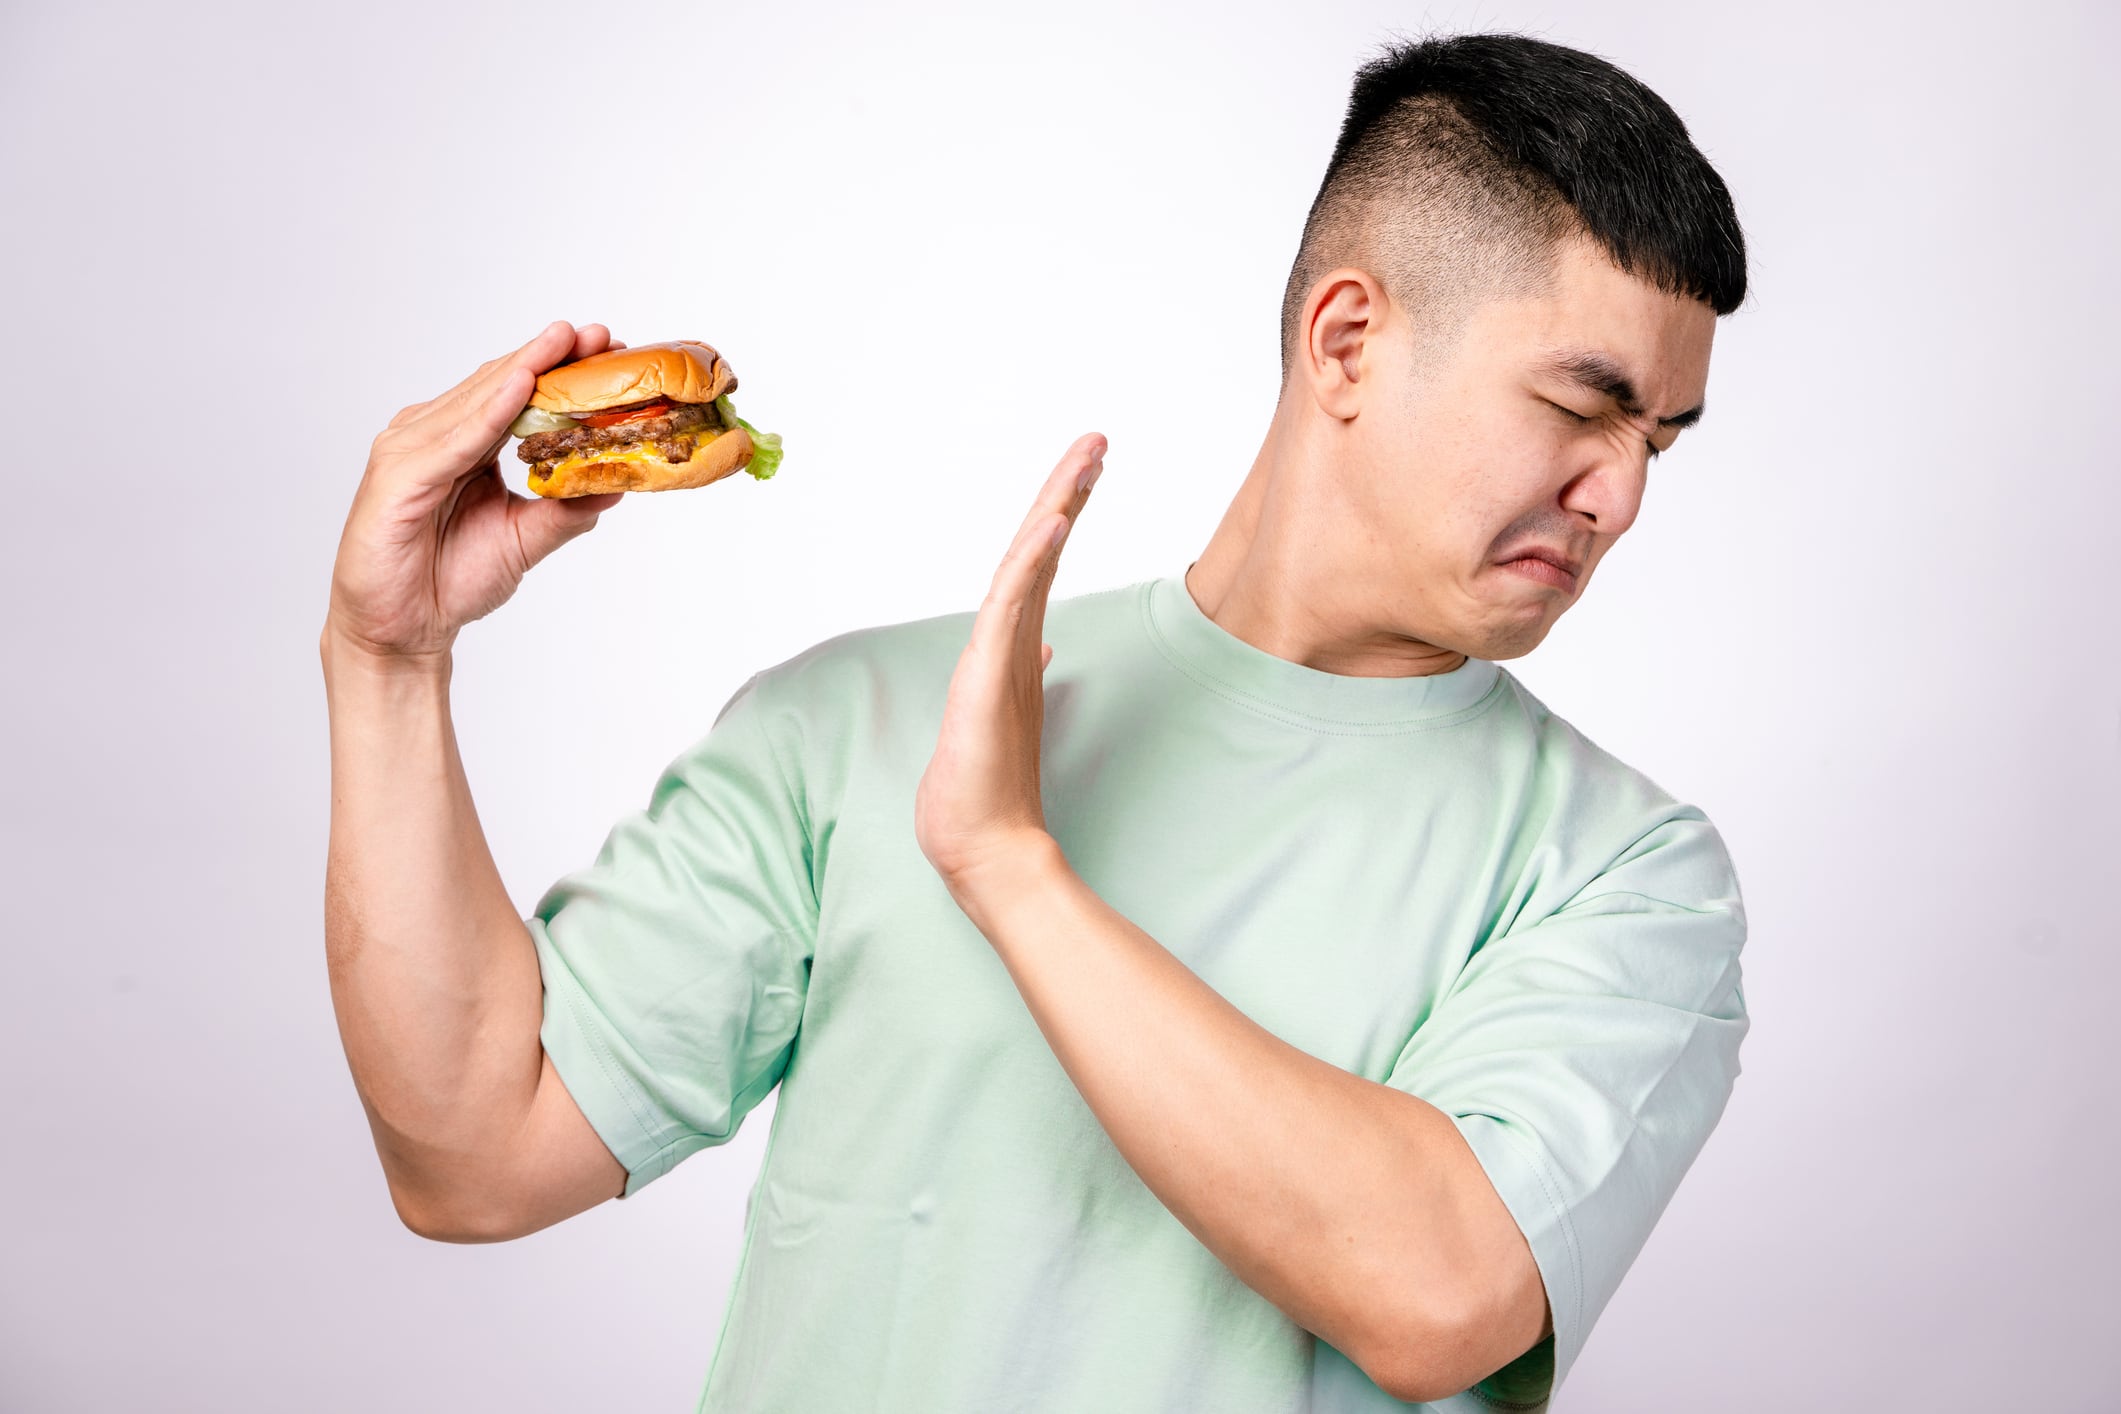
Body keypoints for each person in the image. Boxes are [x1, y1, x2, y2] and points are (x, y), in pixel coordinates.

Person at [321, 29, 1749, 1413]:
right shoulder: (857, 720)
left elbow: (1439, 1293)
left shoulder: (1624, 874)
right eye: (1583, 406)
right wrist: (390, 660)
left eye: (1656, 443)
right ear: (1348, 340)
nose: (1618, 498)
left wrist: (1008, 866)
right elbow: (472, 1155)